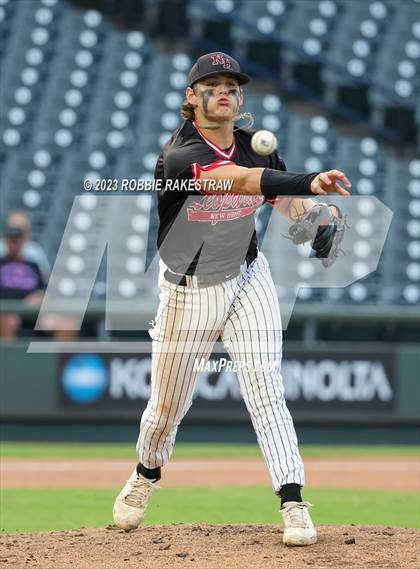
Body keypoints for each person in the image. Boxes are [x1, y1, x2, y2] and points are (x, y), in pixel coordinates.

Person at [113, 52, 351, 546]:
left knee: (265, 385)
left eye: (231, 85)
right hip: (190, 289)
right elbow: (243, 181)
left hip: (247, 274)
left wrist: (315, 216)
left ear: (240, 99)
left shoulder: (254, 146)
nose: (223, 91)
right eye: (211, 84)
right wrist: (309, 180)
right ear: (191, 97)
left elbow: (282, 201)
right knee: (167, 405)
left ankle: (293, 501)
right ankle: (145, 475)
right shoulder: (180, 155)